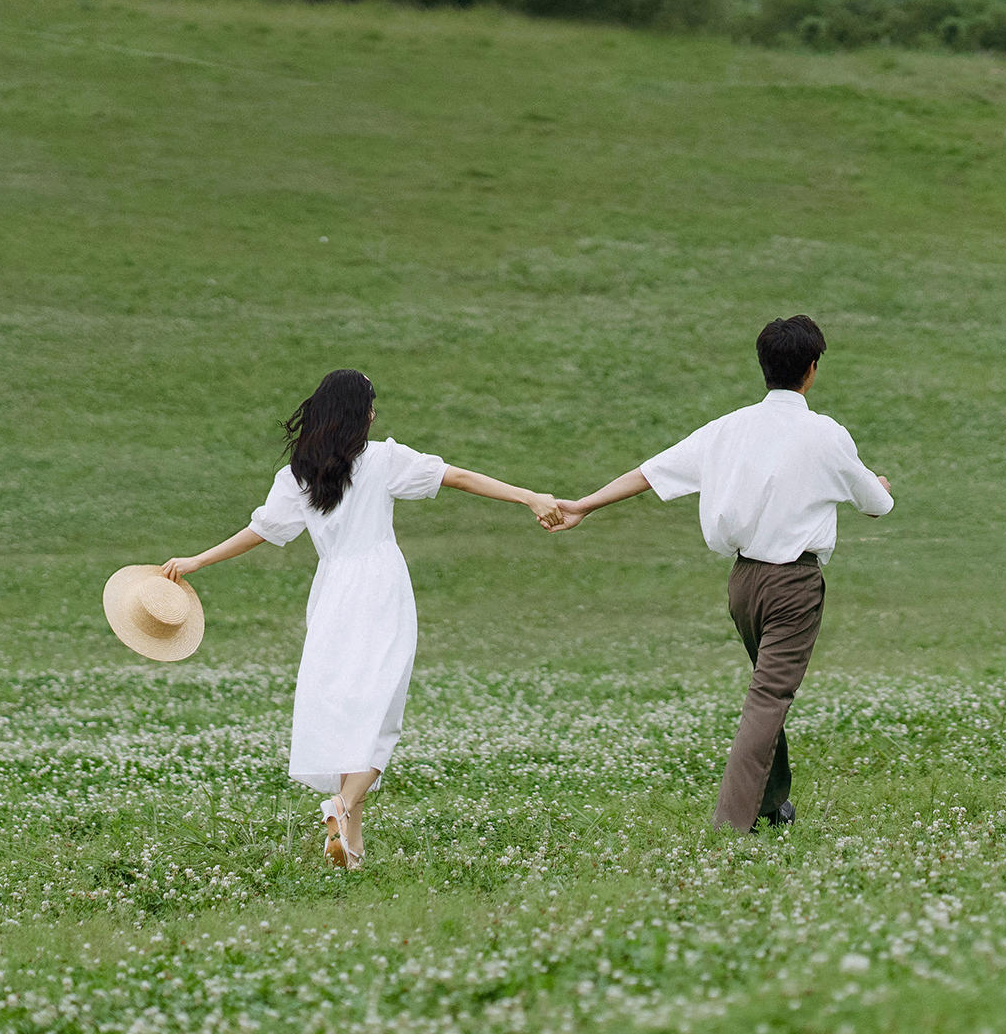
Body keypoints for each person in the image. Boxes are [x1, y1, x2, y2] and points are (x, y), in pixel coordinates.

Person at [159, 368, 561, 868]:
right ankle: (341, 805)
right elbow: (457, 477)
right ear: (360, 413)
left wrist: (199, 559)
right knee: (381, 718)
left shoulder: (298, 475)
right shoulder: (383, 460)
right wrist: (530, 496)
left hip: (332, 597)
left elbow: (260, 530)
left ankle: (350, 848)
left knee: (349, 713)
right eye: (372, 404)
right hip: (382, 591)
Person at [550, 315, 894, 831]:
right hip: (793, 585)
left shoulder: (728, 428)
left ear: (764, 367)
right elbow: (877, 504)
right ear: (812, 370)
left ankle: (772, 803)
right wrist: (881, 485)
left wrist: (584, 505)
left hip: (743, 585)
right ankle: (732, 824)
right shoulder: (826, 434)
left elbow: (651, 472)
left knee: (766, 691)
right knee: (770, 697)